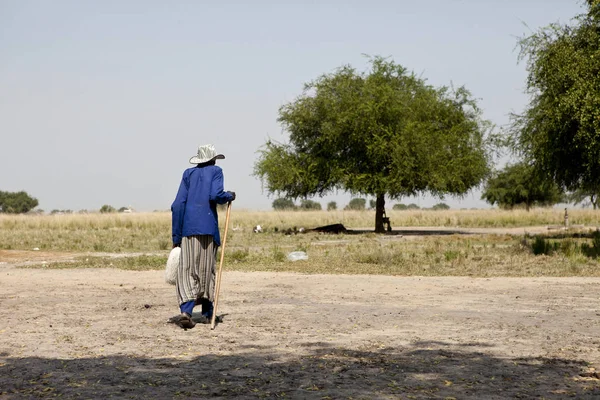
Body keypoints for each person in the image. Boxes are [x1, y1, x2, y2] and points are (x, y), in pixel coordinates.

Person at [171, 144, 235, 329]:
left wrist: (176, 236)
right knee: (206, 269)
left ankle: (187, 311)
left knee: (188, 270)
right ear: (213, 159)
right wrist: (229, 196)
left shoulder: (187, 174)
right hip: (207, 227)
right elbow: (216, 195)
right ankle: (207, 313)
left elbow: (177, 205)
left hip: (188, 229)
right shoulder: (216, 171)